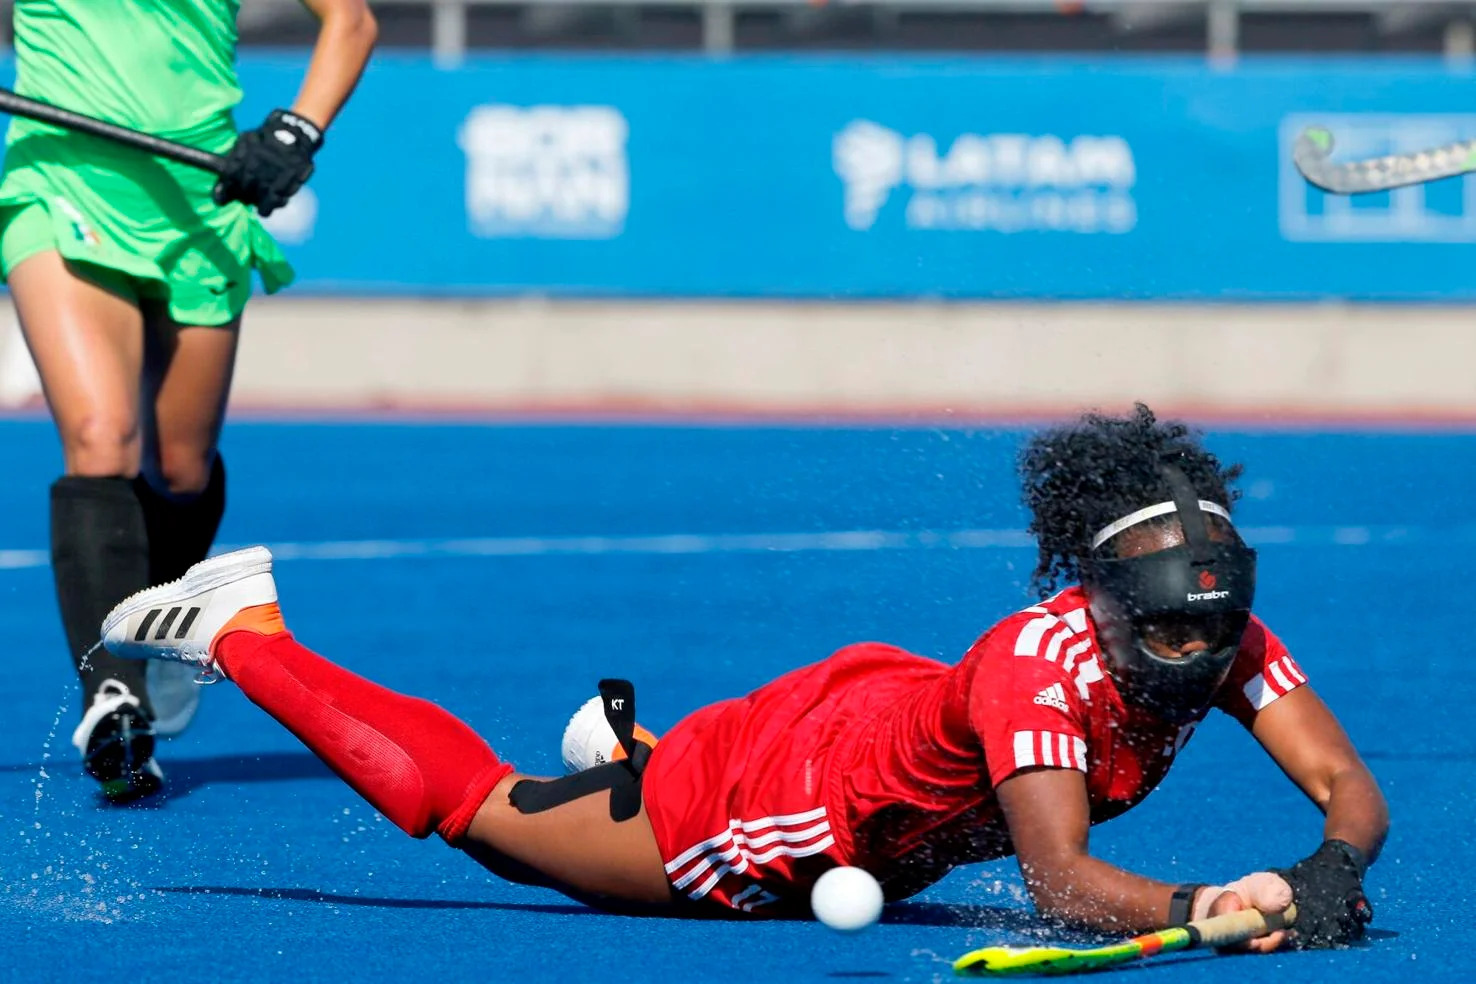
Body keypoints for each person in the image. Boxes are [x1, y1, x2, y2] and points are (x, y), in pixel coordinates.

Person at [98, 405, 1386, 948]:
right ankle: (242, 628)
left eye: (1210, 634)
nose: (1194, 656)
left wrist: (1333, 867)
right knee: (483, 820)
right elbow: (1059, 881)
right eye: (1165, 633)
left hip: (869, 722)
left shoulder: (1218, 636)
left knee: (583, 797)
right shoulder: (1036, 673)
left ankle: (638, 761)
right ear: (1103, 600)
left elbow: (1344, 781)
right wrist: (1204, 902)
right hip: (784, 801)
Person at [0, 0, 376, 802]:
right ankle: (115, 696)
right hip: (60, 185)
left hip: (201, 198)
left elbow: (351, 21)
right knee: (100, 436)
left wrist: (296, 132)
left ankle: (168, 622)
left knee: (180, 467)